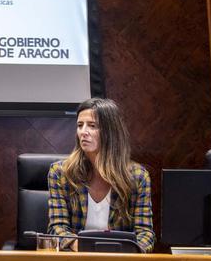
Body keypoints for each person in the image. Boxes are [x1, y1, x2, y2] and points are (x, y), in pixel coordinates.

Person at [46, 97, 154, 252]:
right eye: (79, 125)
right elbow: (57, 228)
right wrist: (86, 249)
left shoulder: (137, 176)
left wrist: (125, 253)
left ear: (110, 132)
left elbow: (145, 234)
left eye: (92, 126)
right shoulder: (61, 173)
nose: (83, 132)